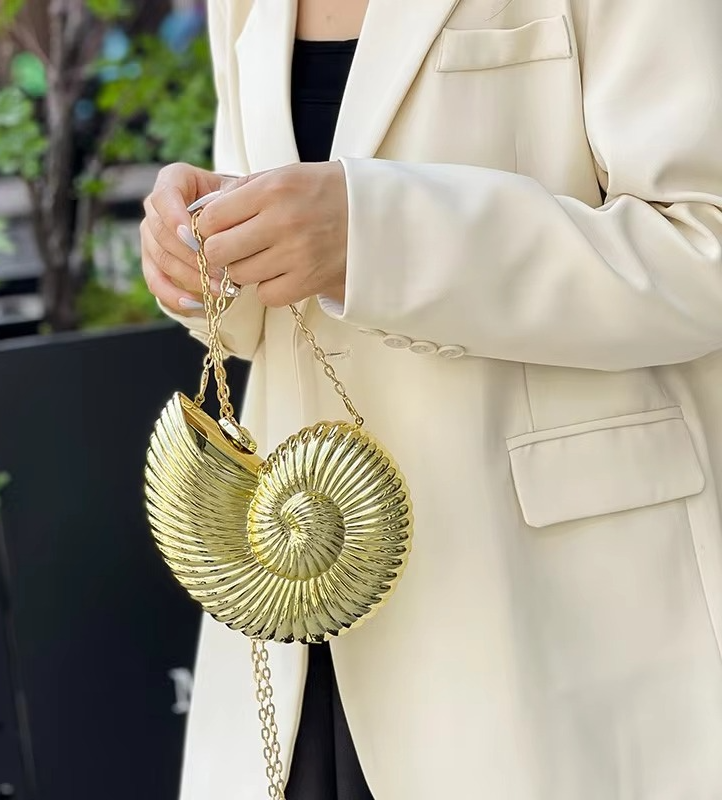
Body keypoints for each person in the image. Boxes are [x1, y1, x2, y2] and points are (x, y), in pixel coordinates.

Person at [140, 1, 722, 797]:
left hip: (552, 608)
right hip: (302, 606)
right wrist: (205, 251)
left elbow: (705, 248)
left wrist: (378, 237)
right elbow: (270, 311)